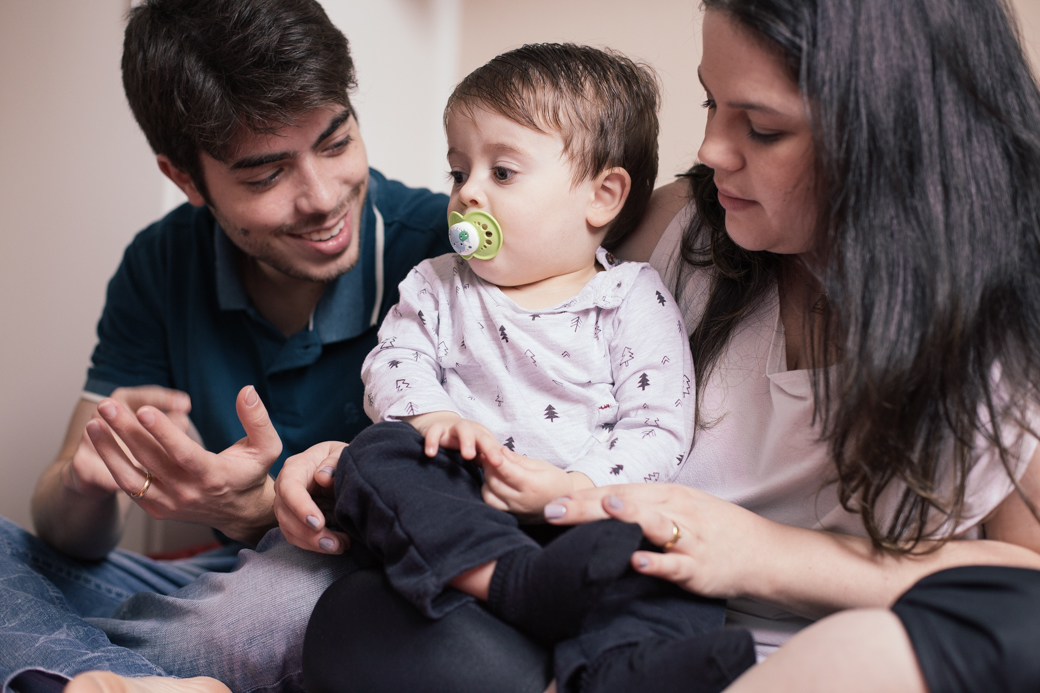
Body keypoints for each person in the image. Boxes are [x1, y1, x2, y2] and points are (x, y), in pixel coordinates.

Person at [287, 0, 1040, 691]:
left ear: (891, 138)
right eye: (713, 102)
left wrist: (762, 553)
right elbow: (488, 337)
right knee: (362, 618)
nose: (710, 148)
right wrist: (365, 453)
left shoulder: (1000, 327)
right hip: (561, 593)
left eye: (763, 127)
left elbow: (1022, 579)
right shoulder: (682, 230)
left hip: (752, 651)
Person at [0, 0, 453, 691]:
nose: (324, 198)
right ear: (184, 179)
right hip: (208, 587)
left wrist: (251, 509)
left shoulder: (441, 253)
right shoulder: (160, 263)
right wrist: (89, 481)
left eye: (336, 142)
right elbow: (67, 537)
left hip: (340, 587)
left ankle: (76, 663)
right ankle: (127, 673)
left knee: (245, 623)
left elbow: (463, 531)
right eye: (266, 175)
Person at [283, 43, 753, 693]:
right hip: (462, 513)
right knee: (374, 455)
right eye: (458, 172)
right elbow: (394, 361)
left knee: (668, 555)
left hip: (577, 522)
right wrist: (436, 417)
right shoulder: (440, 284)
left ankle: (616, 670)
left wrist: (572, 490)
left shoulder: (632, 300)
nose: (468, 191)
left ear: (602, 196)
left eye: (501, 172)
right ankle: (507, 581)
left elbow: (657, 429)